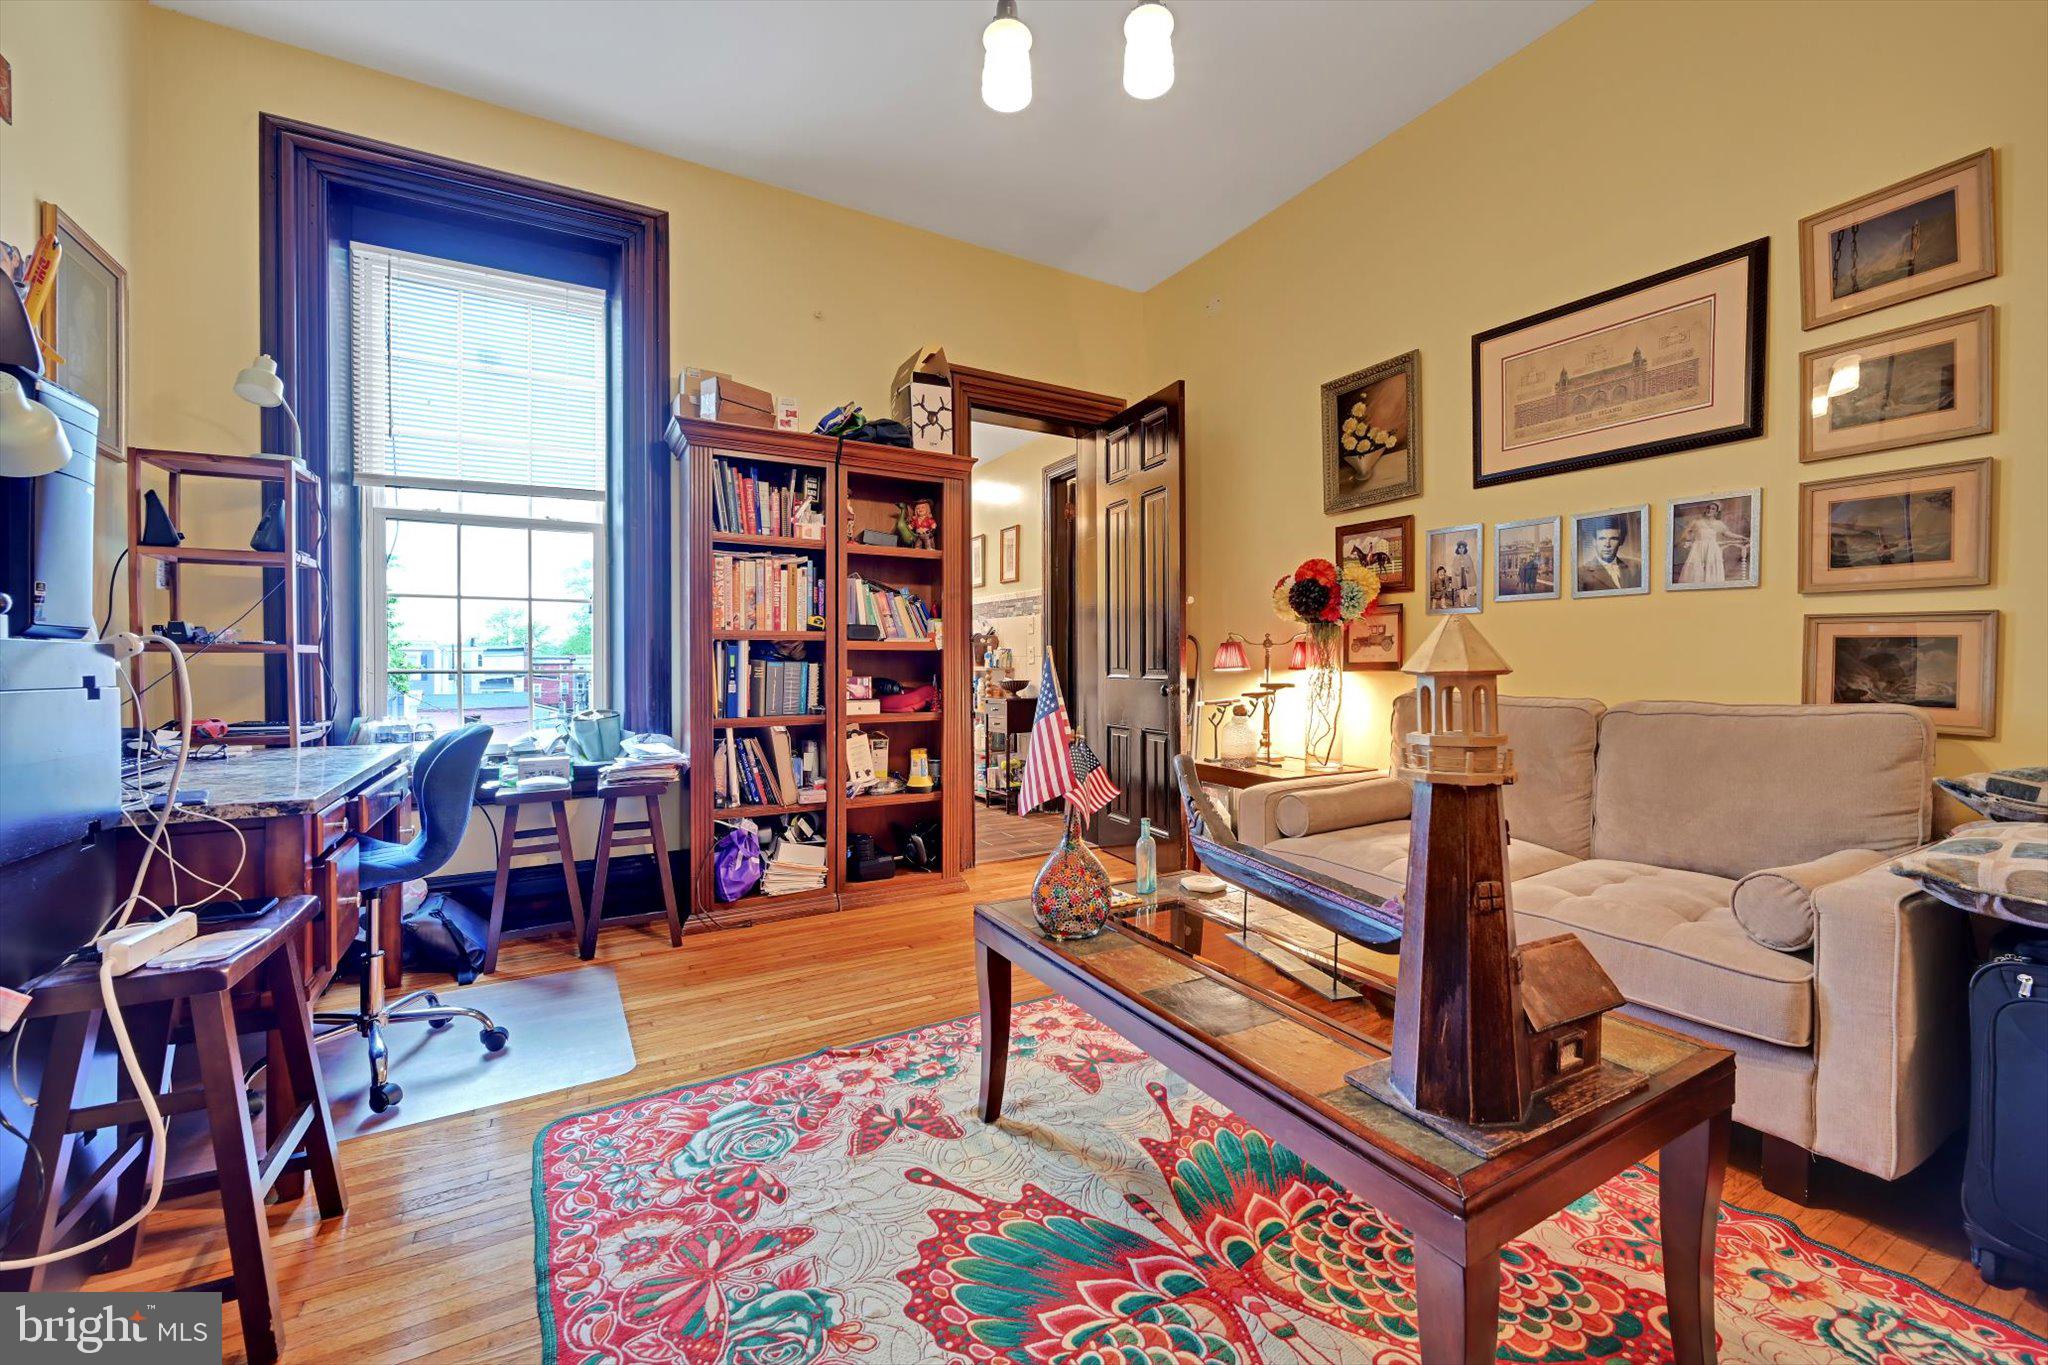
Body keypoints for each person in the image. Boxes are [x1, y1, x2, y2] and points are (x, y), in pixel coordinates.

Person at [1675, 500, 1747, 585]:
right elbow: (1685, 534)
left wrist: (1742, 537)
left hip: (1712, 548)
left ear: (1716, 512)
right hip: (1698, 548)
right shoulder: (1696, 522)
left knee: (1711, 567)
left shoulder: (1718, 524)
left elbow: (1728, 534)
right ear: (1706, 509)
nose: (1710, 510)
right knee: (1696, 568)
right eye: (1708, 508)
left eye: (1713, 509)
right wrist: (1688, 539)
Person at [1576, 516, 1642, 593]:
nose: (1607, 544)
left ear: (1621, 541)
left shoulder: (1636, 566)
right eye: (1602, 539)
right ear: (1594, 541)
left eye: (1613, 539)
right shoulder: (1581, 573)